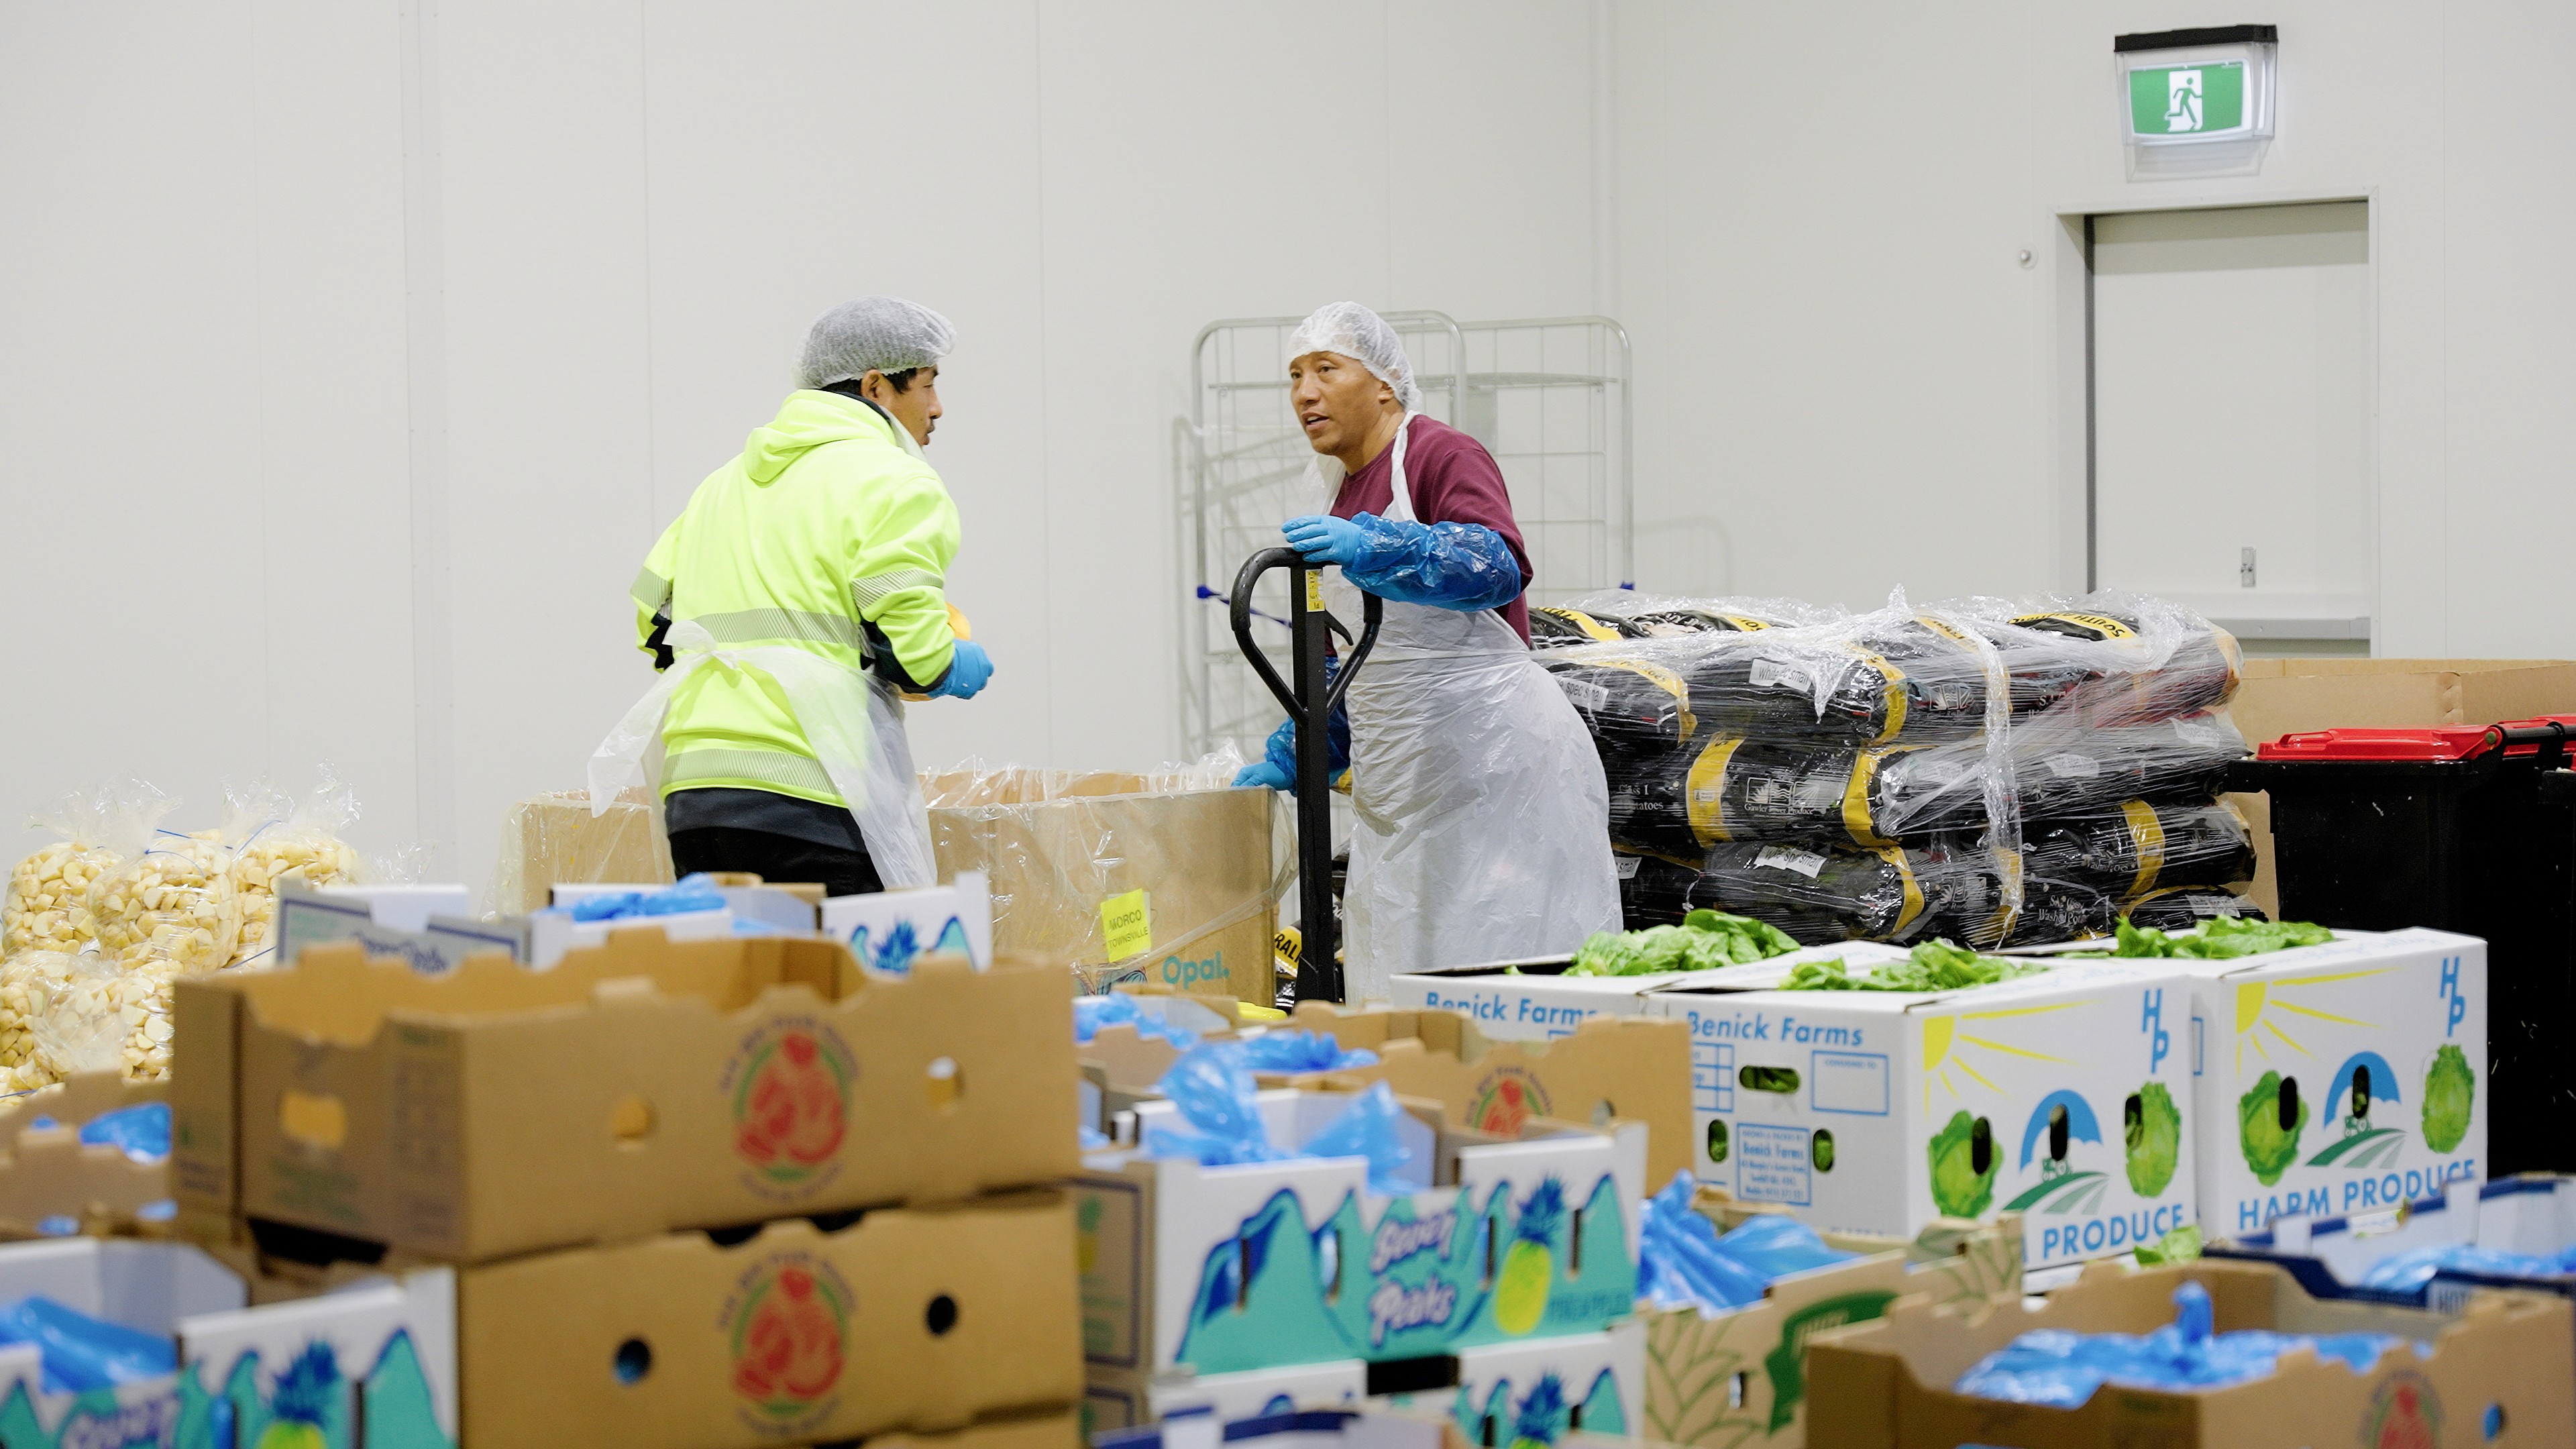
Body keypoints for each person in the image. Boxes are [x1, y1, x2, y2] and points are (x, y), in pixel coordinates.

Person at [1235, 302, 1620, 997]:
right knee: (1403, 976)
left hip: (1493, 770)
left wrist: (1378, 545)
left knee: (1504, 969)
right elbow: (1353, 663)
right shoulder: (1331, 496)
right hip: (1404, 784)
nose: (1305, 393)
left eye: (1327, 369)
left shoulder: (1440, 453)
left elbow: (1495, 565)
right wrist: (1298, 755)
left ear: (1384, 384)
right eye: (1294, 375)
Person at [598, 296, 994, 897]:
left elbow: (654, 620)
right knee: (843, 988)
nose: (937, 409)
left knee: (739, 986)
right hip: (812, 795)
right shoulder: (896, 481)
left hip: (698, 799)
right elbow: (915, 655)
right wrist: (950, 665)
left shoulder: (721, 485)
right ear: (876, 387)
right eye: (928, 385)